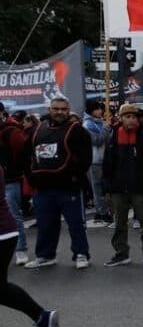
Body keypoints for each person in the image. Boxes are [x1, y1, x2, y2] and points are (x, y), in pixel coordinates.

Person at [24, 98, 93, 270]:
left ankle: (81, 254)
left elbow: (85, 159)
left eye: (63, 109)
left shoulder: (78, 131)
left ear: (68, 110)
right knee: (45, 224)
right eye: (56, 108)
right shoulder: (36, 130)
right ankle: (45, 255)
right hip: (43, 189)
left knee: (76, 224)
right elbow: (26, 157)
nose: (60, 112)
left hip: (69, 188)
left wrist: (73, 177)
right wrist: (32, 178)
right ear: (50, 109)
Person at [0, 163, 59, 327]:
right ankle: (42, 317)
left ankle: (42, 316)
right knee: (1, 289)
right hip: (5, 232)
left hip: (2, 233)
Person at [102, 104, 143, 267]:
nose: (131, 120)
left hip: (140, 188)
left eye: (134, 117)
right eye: (127, 116)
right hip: (118, 188)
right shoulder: (113, 137)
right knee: (119, 223)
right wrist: (107, 188)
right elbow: (107, 164)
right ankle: (121, 253)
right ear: (121, 118)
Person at [0, 102, 29, 266]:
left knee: (13, 215)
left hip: (10, 180)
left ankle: (21, 250)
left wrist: (12, 170)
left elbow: (22, 154)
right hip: (8, 178)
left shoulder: (11, 131)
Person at [83, 100, 112, 224]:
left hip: (104, 159)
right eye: (97, 109)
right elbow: (97, 141)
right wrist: (106, 129)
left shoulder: (100, 123)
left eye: (101, 109)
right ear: (91, 110)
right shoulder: (87, 125)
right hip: (94, 161)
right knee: (98, 188)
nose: (100, 111)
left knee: (103, 187)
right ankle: (102, 213)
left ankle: (100, 211)